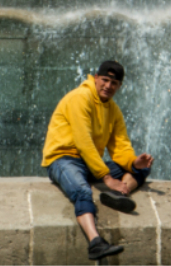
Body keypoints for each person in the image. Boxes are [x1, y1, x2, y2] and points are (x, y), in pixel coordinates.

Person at [43, 60, 154, 261]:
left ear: (119, 86)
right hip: (63, 160)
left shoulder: (113, 110)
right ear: (96, 78)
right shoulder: (80, 97)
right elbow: (83, 141)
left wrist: (133, 162)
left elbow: (120, 146)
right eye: (105, 80)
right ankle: (95, 243)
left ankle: (120, 194)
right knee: (82, 190)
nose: (108, 86)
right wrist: (106, 177)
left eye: (114, 83)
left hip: (89, 163)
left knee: (143, 168)